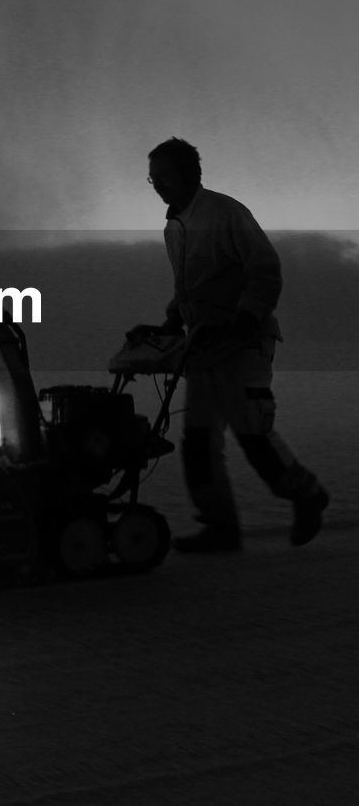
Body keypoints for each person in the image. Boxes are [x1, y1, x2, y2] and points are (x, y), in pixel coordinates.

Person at [143, 136, 329, 552]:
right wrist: (170, 321)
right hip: (204, 347)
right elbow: (191, 287)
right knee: (199, 440)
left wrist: (244, 319)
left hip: (244, 344)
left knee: (253, 432)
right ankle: (221, 526)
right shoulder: (175, 227)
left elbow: (264, 269)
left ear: (189, 175)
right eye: (152, 178)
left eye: (163, 177)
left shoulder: (226, 213)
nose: (156, 185)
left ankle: (308, 494)